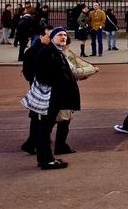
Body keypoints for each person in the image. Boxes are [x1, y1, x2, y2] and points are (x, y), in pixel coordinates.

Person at [33, 27, 80, 170]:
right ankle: (46, 160)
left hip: (57, 95)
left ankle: (46, 158)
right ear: (52, 38)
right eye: (59, 35)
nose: (63, 37)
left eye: (65, 35)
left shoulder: (56, 52)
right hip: (52, 97)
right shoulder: (48, 53)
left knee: (46, 128)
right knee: (45, 128)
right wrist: (59, 84)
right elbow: (43, 75)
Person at [19, 24, 51, 156]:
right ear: (41, 36)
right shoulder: (32, 52)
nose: (50, 39)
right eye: (48, 36)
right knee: (39, 117)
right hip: (38, 87)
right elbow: (27, 73)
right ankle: (33, 143)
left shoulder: (50, 49)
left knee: (41, 117)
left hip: (47, 87)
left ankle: (34, 142)